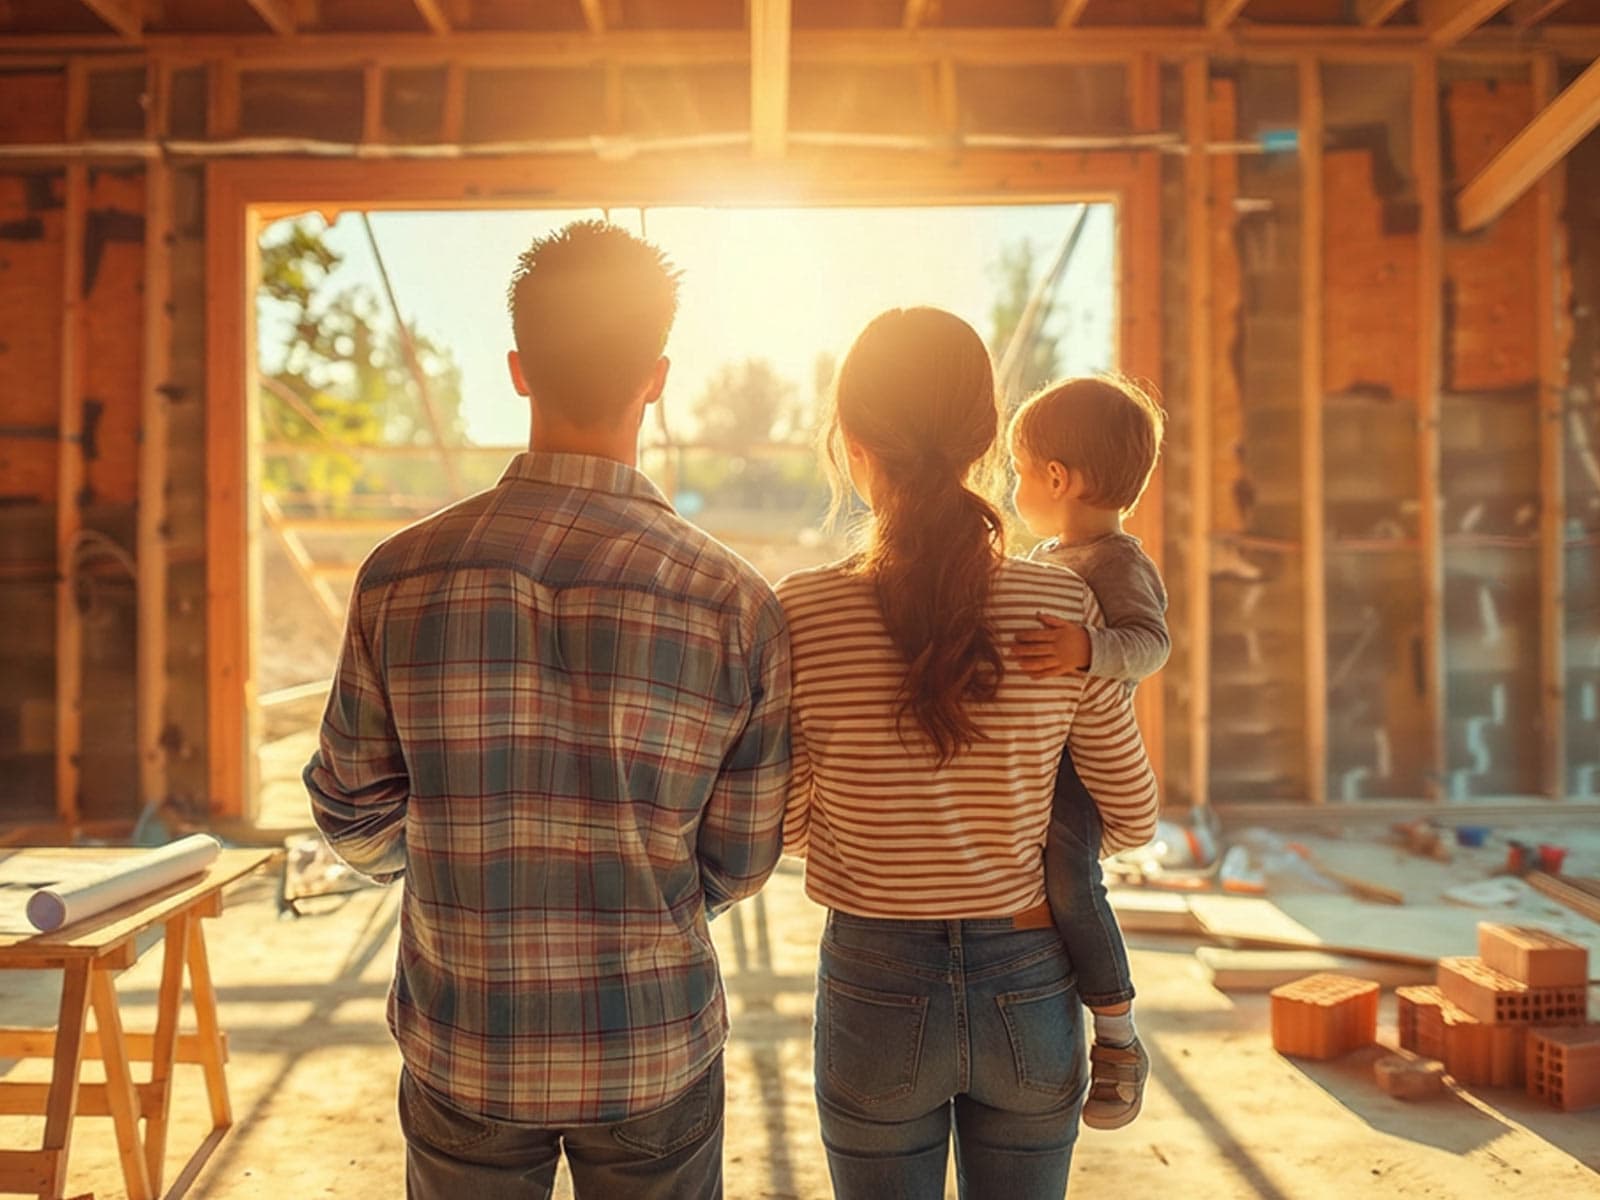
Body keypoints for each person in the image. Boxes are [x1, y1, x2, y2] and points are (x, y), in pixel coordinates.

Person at [304, 220, 792, 1200]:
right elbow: (738, 859)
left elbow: (350, 816)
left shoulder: (399, 577)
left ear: (519, 371)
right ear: (654, 378)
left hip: (466, 1036)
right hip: (652, 1041)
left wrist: (458, 859)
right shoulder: (732, 601)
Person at [778, 308, 1158, 1199]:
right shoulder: (1060, 604)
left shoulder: (803, 611)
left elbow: (790, 826)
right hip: (1029, 980)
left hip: (874, 982)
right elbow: (1135, 818)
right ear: (987, 440)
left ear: (852, 442)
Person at [1007, 375, 1169, 1130]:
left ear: (1056, 478)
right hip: (1042, 745)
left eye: (1016, 470)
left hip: (1080, 765)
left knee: (1071, 881)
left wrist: (1087, 646)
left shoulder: (1117, 562)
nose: (1013, 485)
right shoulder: (1049, 553)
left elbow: (1151, 645)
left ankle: (1117, 1035)